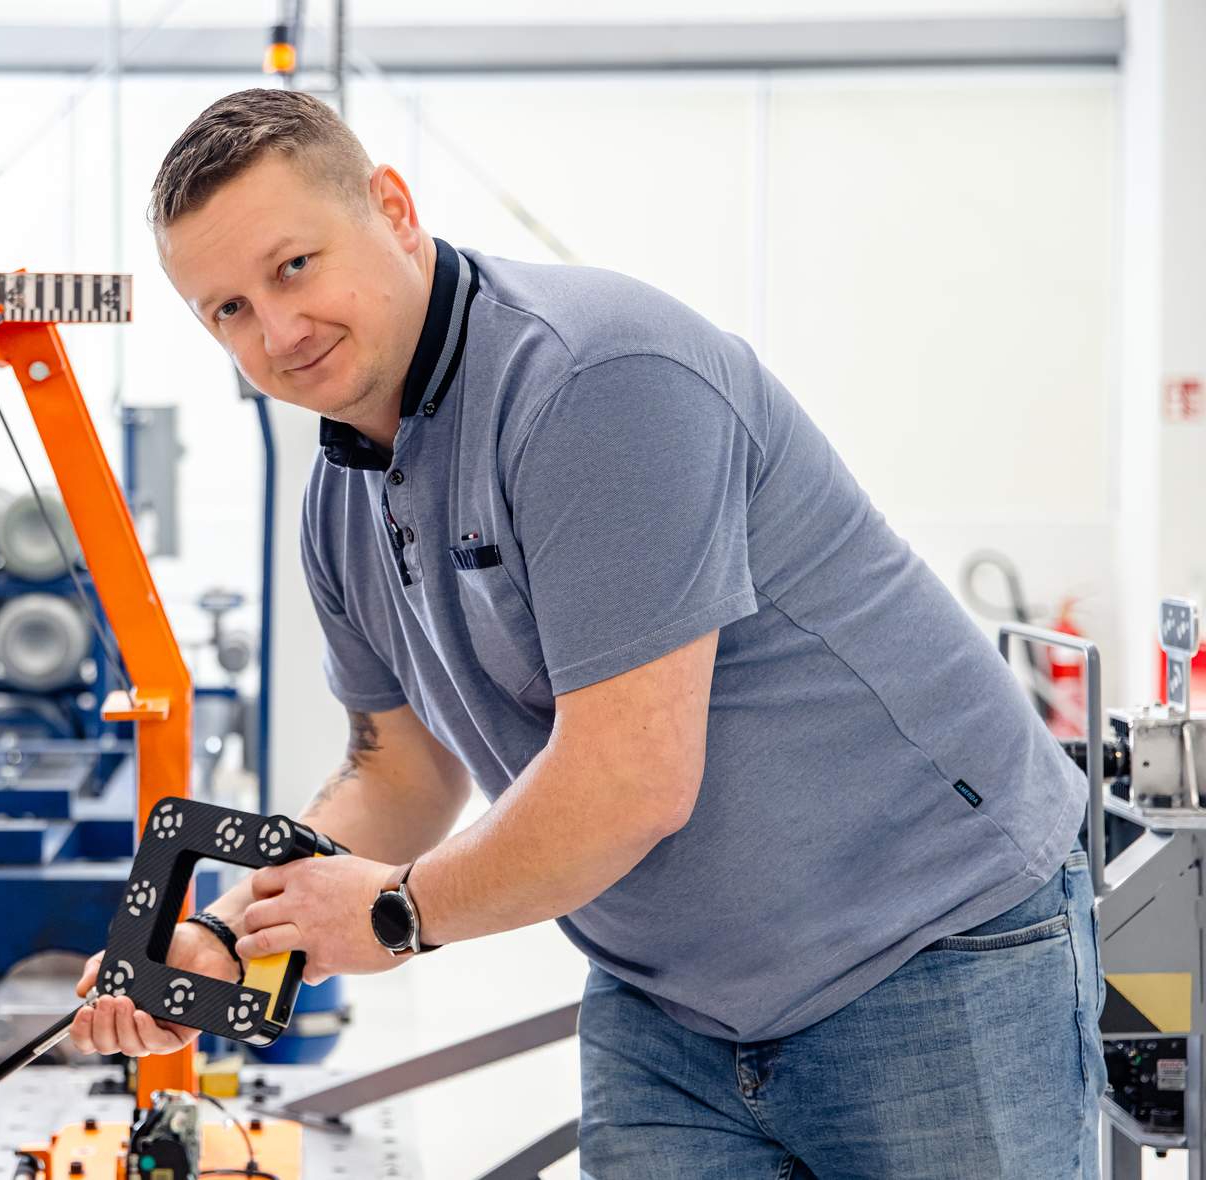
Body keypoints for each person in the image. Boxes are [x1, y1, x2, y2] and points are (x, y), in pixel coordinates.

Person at [69, 88, 1103, 1178]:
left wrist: (395, 913)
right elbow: (402, 774)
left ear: (394, 210)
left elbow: (631, 779)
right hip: (669, 1001)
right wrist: (227, 935)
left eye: (294, 266)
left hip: (929, 949)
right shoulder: (340, 500)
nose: (277, 332)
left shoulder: (593, 381)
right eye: (228, 309)